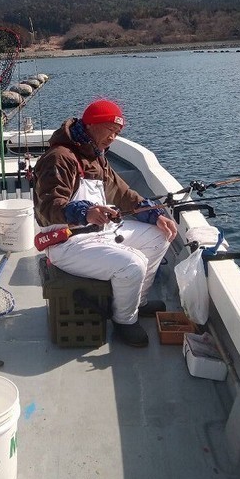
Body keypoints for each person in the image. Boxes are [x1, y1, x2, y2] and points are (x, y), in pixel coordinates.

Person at [33, 99, 178, 347]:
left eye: (117, 133)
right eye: (110, 130)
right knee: (133, 264)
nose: (113, 138)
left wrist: (155, 215)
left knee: (159, 236)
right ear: (92, 125)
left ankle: (138, 301)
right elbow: (47, 208)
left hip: (101, 232)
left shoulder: (97, 156)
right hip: (68, 242)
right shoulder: (59, 158)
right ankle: (125, 321)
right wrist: (85, 212)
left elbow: (122, 194)